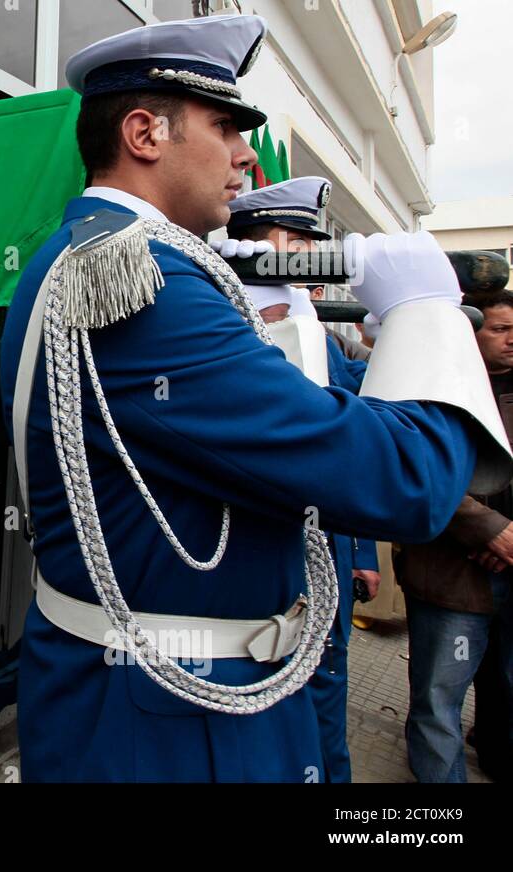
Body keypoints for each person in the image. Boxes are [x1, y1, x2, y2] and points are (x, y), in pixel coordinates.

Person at [0, 13, 510, 782]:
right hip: (168, 722)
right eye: (226, 125)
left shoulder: (97, 254)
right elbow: (405, 481)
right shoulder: (148, 286)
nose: (245, 156)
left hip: (148, 694)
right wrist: (426, 314)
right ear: (145, 133)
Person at [221, 175, 382, 782]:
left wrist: (362, 550)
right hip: (254, 550)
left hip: (329, 549)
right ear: (274, 241)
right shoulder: (220, 315)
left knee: (325, 687)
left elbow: (358, 436)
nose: (313, 259)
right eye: (302, 242)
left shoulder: (315, 324)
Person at [395, 288, 513, 782]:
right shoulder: (433, 391)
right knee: (439, 703)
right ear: (468, 329)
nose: (512, 341)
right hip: (448, 578)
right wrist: (489, 530)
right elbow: (417, 472)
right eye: (501, 330)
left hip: (511, 569)